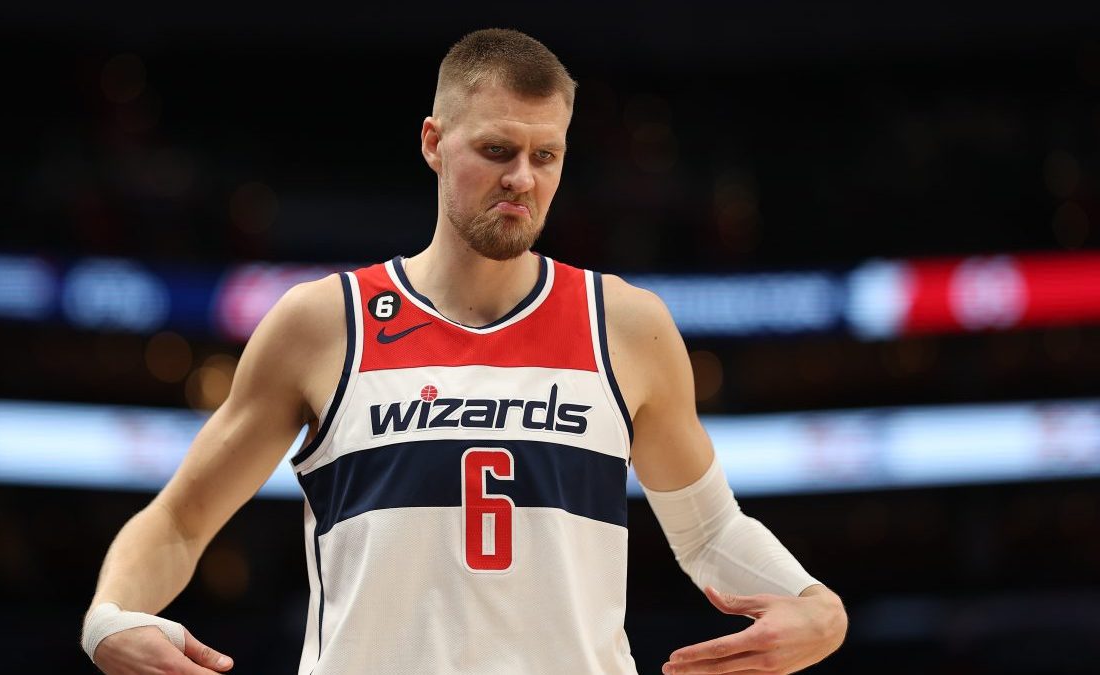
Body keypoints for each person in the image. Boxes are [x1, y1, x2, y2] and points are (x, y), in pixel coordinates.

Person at [82, 28, 848, 675]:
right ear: (433, 143)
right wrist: (107, 618)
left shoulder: (625, 325)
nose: (522, 178)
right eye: (497, 149)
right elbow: (179, 520)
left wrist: (820, 607)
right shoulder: (325, 323)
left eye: (546, 156)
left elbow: (710, 531)